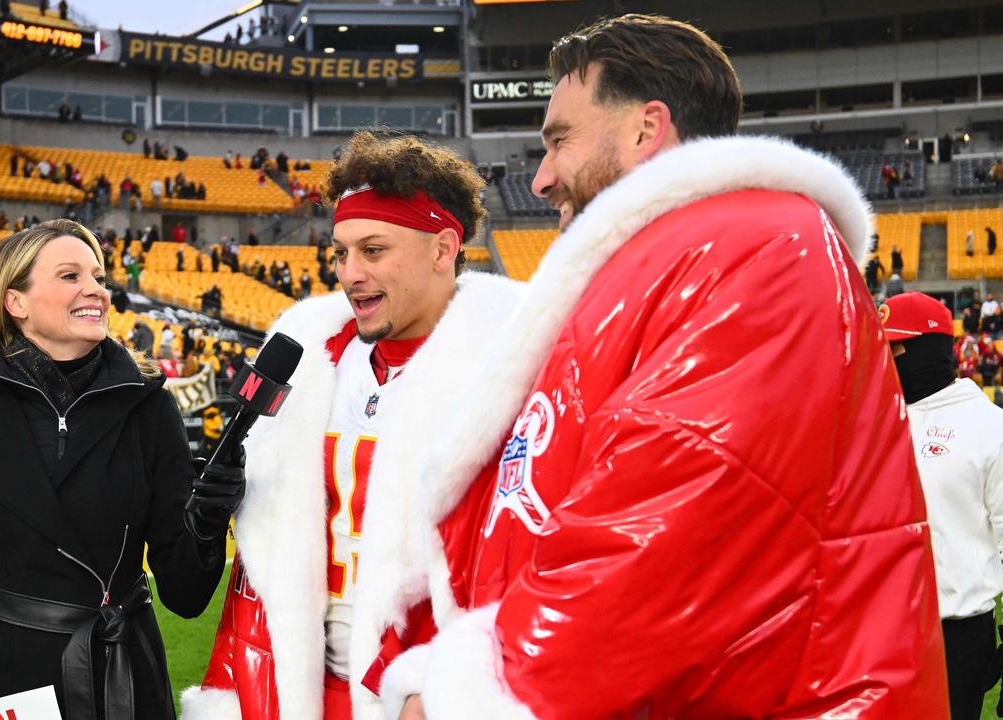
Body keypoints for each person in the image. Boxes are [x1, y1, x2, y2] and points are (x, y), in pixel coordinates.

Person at [386, 15, 947, 719]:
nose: (542, 177)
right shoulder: (666, 264)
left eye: (559, 140)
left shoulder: (761, 248)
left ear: (647, 129)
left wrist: (477, 693)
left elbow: (662, 523)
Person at [183, 132, 523, 720]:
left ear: (444, 249)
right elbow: (264, 572)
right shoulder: (314, 361)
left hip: (425, 692)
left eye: (372, 249)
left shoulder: (510, 374)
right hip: (301, 687)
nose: (349, 273)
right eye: (340, 252)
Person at [0, 220, 235, 720]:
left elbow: (185, 596)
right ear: (16, 302)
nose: (95, 290)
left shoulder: (150, 406)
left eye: (98, 277)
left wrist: (206, 520)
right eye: (70, 275)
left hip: (125, 679)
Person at [882, 292, 1003, 719]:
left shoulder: (989, 427)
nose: (885, 360)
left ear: (927, 348)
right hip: (880, 630)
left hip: (956, 636)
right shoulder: (876, 418)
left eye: (893, 348)